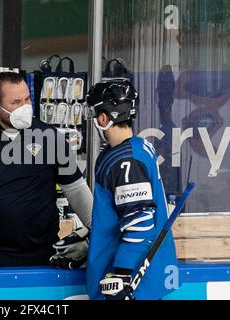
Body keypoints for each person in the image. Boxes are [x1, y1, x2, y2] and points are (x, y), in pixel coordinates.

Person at [0, 71, 92, 268]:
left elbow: (76, 189)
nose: (24, 107)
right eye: (15, 102)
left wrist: (96, 228)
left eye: (27, 99)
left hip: (44, 253)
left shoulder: (50, 136)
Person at [85, 79, 178, 300]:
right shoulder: (137, 146)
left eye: (95, 114)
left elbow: (140, 224)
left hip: (133, 286)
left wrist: (122, 275)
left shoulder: (125, 160)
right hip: (137, 280)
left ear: (104, 118)